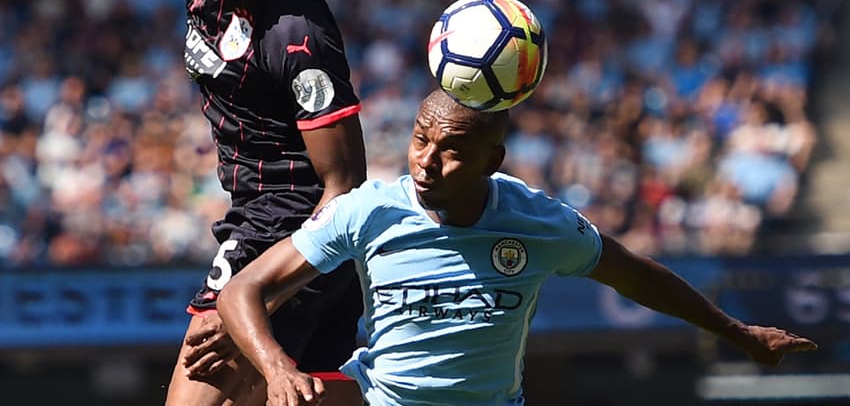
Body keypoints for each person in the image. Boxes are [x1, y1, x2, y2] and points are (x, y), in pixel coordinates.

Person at [217, 89, 817, 406]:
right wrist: (275, 367)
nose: (426, 161)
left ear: (492, 161)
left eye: (449, 150)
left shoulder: (538, 223)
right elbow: (245, 288)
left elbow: (636, 275)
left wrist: (738, 333)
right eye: (420, 139)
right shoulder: (369, 210)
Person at [165, 0, 367, 405]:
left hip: (289, 232)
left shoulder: (296, 30)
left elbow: (344, 186)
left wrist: (259, 298)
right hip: (264, 223)